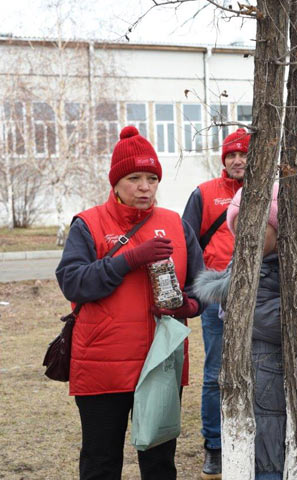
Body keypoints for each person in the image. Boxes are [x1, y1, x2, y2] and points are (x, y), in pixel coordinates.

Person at [55, 125, 205, 480]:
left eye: (152, 178)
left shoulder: (176, 225)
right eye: (134, 177)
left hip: (160, 364)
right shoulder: (88, 224)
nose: (144, 186)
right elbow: (72, 282)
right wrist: (128, 259)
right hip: (102, 365)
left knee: (158, 462)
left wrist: (189, 307)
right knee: (101, 461)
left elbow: (202, 285)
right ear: (116, 182)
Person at [193, 183, 297, 480]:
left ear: (282, 231)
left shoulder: (290, 267)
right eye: (240, 228)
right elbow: (282, 323)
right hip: (267, 396)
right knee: (271, 466)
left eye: (258, 227)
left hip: (293, 392)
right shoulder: (245, 276)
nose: (247, 237)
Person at [181, 127, 248, 478]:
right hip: (216, 295)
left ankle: (249, 437)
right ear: (224, 159)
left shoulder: (267, 190)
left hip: (259, 292)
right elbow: (186, 238)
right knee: (214, 374)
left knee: (258, 367)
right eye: (231, 155)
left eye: (243, 154)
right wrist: (198, 286)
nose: (237, 160)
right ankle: (214, 446)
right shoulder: (205, 194)